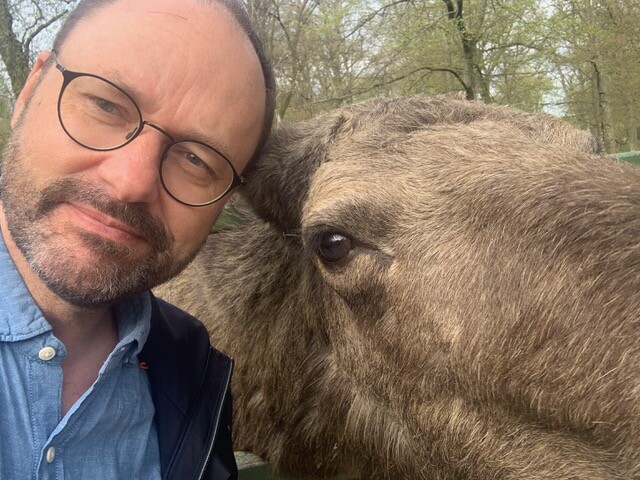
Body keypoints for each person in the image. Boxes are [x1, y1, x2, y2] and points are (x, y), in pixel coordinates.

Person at [0, 0, 275, 478]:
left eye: (197, 160)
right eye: (106, 105)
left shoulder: (196, 372)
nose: (131, 181)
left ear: (227, 199)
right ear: (28, 92)